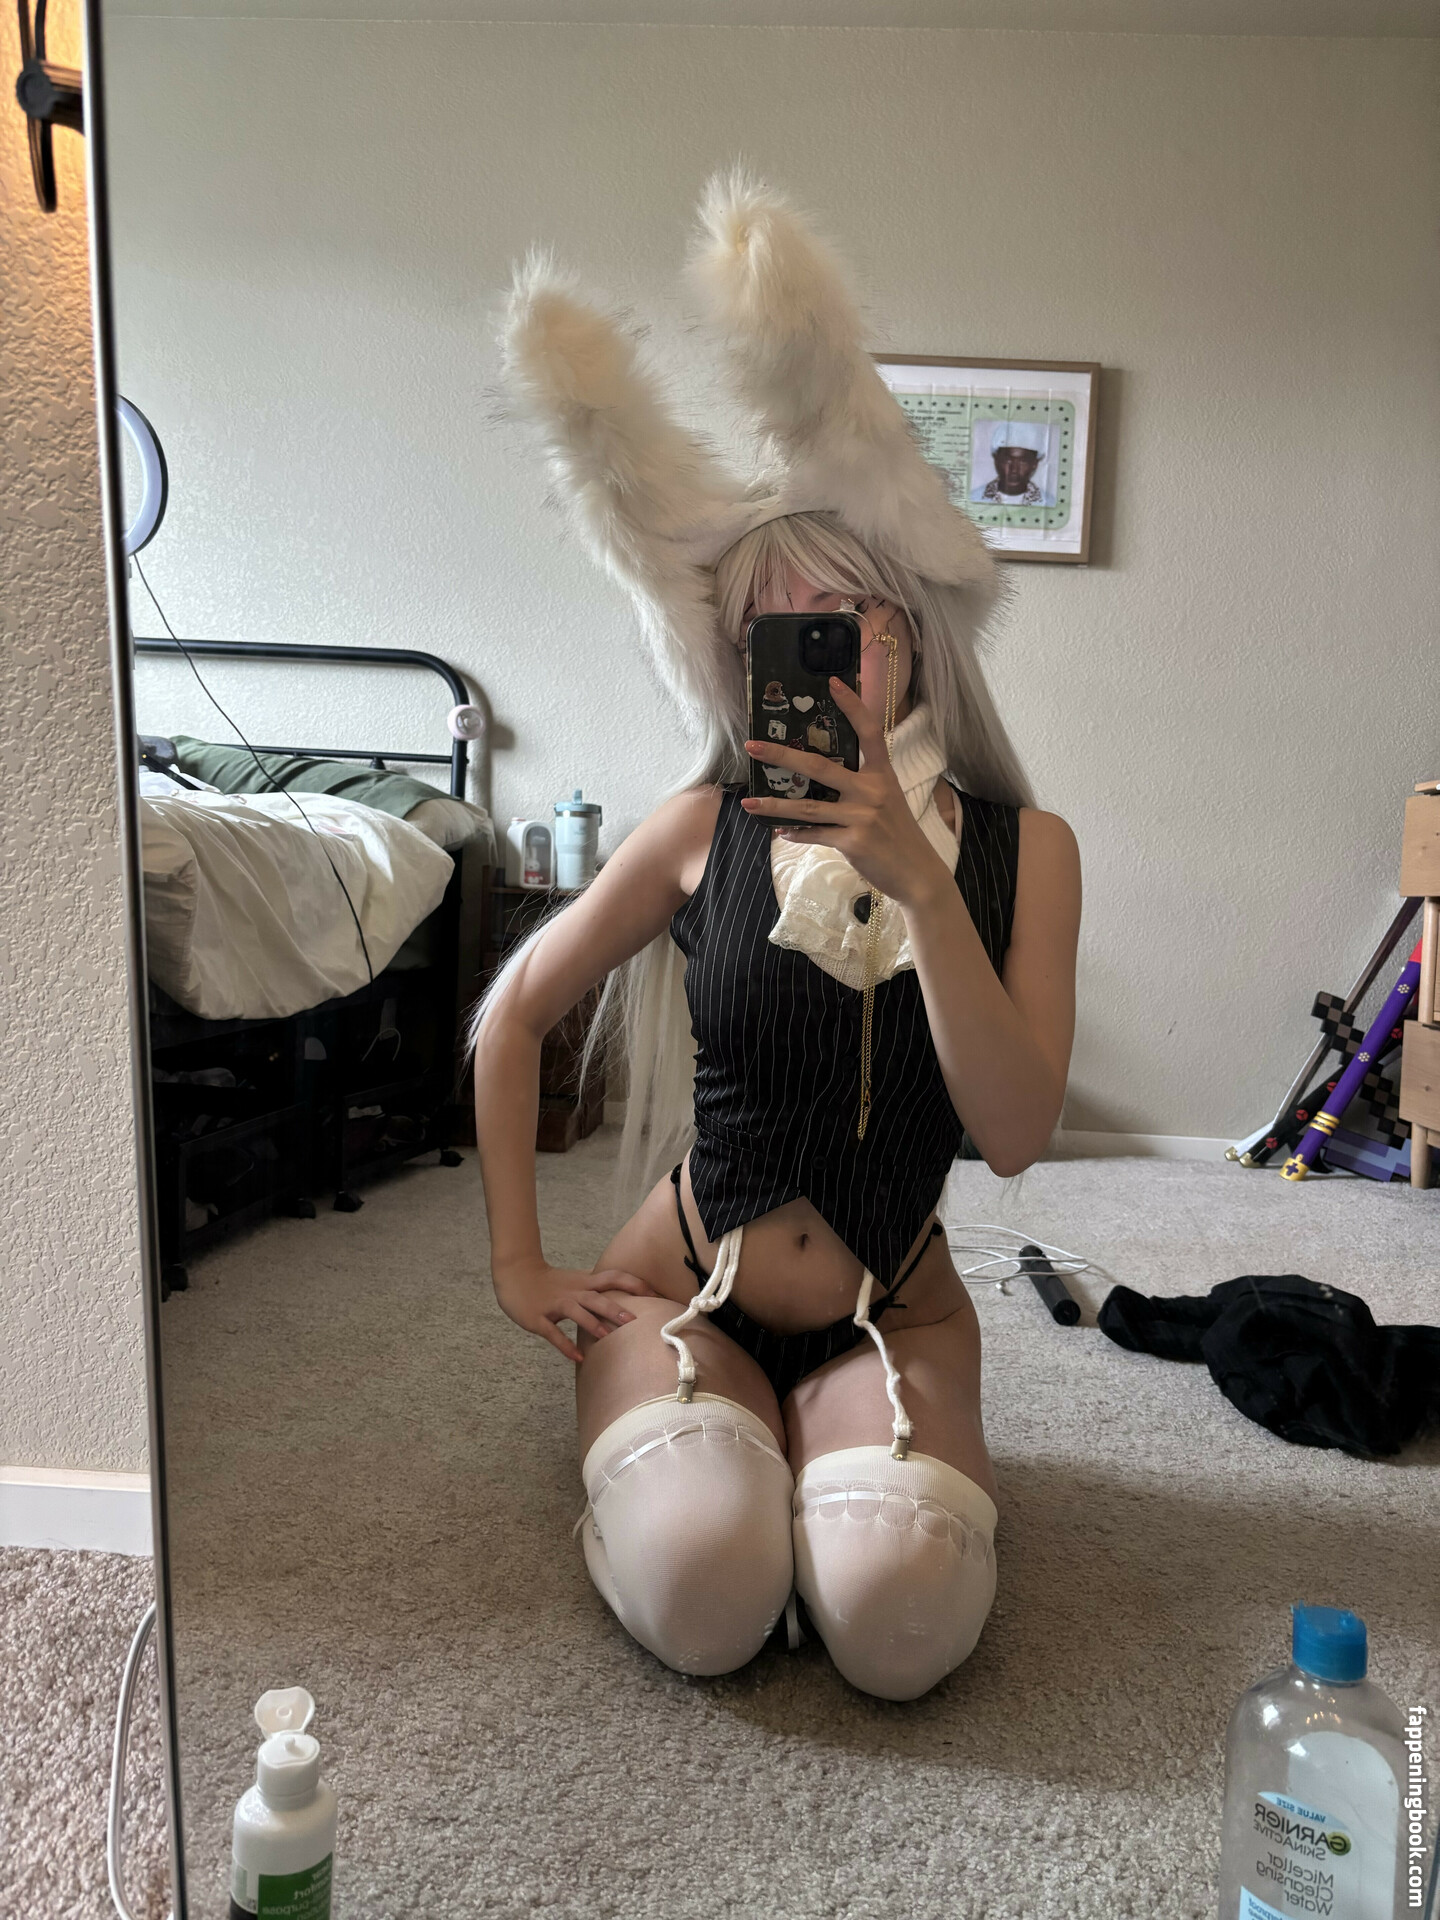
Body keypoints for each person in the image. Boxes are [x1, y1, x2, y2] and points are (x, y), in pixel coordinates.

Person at [472, 171, 1081, 1702]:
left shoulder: (1029, 855)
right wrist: (516, 1261)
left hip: (898, 1298)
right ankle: (739, 1474)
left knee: (900, 1620)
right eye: (779, 634)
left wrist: (924, 886)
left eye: (848, 617)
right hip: (684, 1282)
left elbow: (1014, 1136)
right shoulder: (697, 830)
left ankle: (813, 1468)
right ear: (746, 670)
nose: (821, 656)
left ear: (911, 636)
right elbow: (514, 1014)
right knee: (703, 1588)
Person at [974, 419, 1049, 505]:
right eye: (1007, 461)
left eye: (1023, 462)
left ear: (1034, 464)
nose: (1014, 470)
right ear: (996, 459)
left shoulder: (1049, 503)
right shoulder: (974, 498)